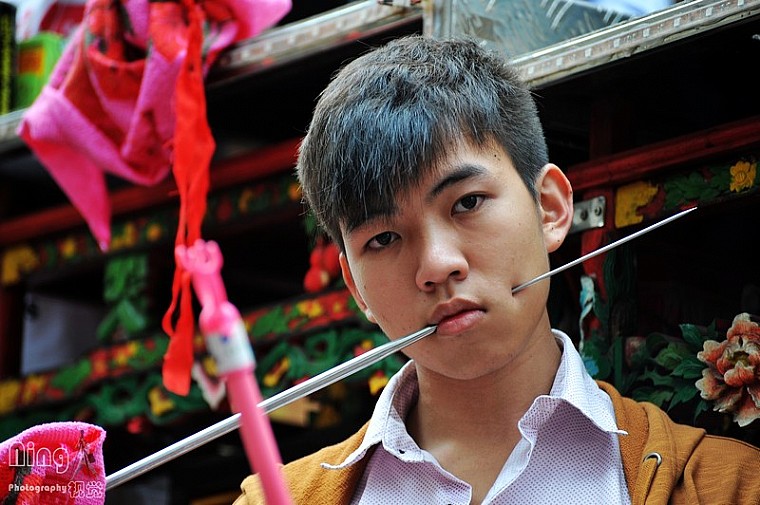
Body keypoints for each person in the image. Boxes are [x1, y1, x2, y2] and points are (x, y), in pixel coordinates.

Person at [235, 36, 760, 504]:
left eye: (467, 203)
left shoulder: (727, 487)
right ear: (356, 288)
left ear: (549, 208)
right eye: (384, 238)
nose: (437, 266)